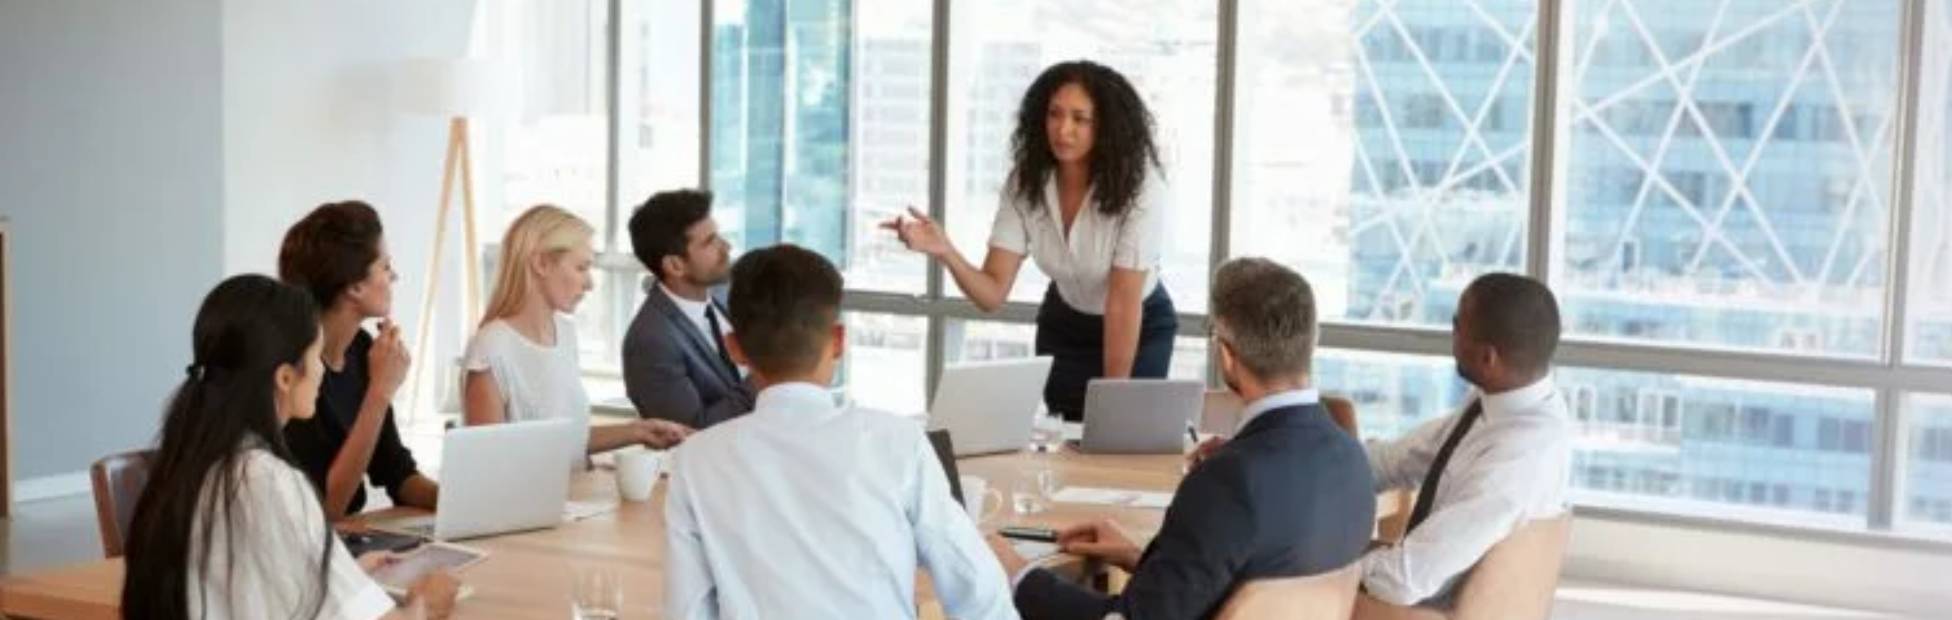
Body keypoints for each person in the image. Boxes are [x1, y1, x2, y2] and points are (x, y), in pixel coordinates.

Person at [990, 258, 1376, 619]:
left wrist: (1016, 576)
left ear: (1225, 355)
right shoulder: (1352, 461)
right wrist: (1144, 558)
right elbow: (1251, 588)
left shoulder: (1230, 480)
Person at [663, 245, 1015, 620]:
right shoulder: (898, 442)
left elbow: (687, 610)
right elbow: (976, 588)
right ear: (838, 340)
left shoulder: (695, 461)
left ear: (734, 348)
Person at [121, 275, 459, 619]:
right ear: (284, 378)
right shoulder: (264, 479)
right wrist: (427, 604)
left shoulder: (189, 463)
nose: (322, 373)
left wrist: (345, 574)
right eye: (315, 357)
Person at [884, 60, 1175, 420]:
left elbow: (1122, 302)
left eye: (1080, 118)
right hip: (1065, 322)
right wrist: (945, 251)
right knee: (1066, 441)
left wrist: (1112, 405)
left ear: (1107, 126)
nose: (1063, 129)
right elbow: (991, 294)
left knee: (1122, 438)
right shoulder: (1026, 182)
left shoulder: (1142, 187)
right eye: (1054, 114)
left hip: (1137, 322)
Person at [1359, 273, 1571, 608]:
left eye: (1457, 326)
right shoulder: (1499, 404)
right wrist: (1324, 460)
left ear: (1488, 358)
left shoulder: (1518, 458)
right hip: (1420, 584)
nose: (1452, 335)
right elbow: (1402, 459)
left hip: (1420, 607)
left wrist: (1331, 569)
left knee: (1272, 582)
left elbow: (1406, 580)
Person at [462, 205, 691, 463]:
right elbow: (486, 463)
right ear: (541, 264)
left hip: (575, 497)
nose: (590, 283)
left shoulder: (565, 332)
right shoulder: (491, 348)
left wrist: (638, 430)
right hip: (530, 502)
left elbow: (566, 440)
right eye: (581, 268)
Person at [277, 201, 438, 518]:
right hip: (315, 544)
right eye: (385, 267)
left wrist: (464, 502)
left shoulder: (362, 349)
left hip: (350, 538)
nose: (394, 277)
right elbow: (326, 507)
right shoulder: (294, 369)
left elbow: (397, 473)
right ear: (355, 286)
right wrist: (380, 392)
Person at [621, 189, 754, 429]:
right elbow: (690, 430)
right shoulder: (650, 341)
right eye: (710, 242)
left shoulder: (726, 294)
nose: (727, 247)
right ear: (675, 265)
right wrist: (770, 376)